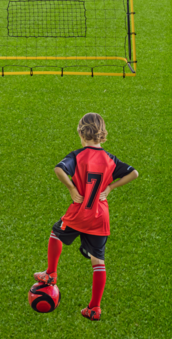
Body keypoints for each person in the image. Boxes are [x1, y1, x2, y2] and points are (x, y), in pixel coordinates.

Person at [34, 113, 139, 321]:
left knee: (56, 234)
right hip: (100, 217)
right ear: (102, 134)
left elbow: (59, 169)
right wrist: (110, 187)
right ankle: (94, 308)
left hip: (79, 213)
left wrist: (72, 188)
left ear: (81, 133)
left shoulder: (77, 155)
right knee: (98, 261)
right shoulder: (110, 159)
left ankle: (51, 274)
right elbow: (134, 173)